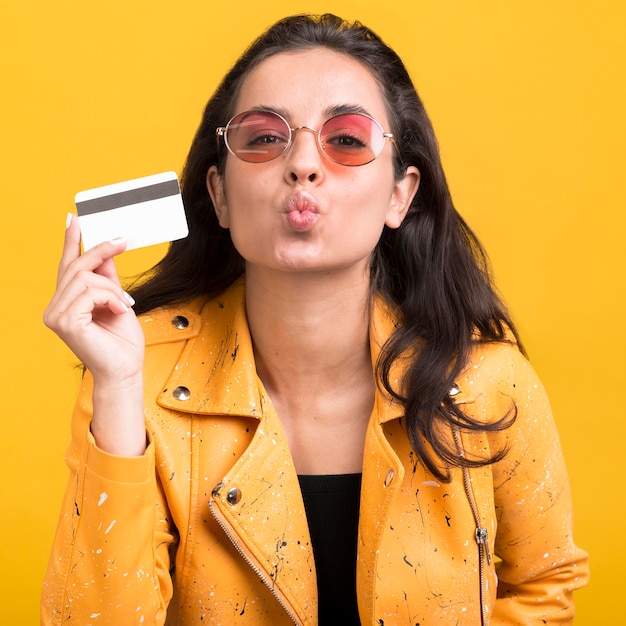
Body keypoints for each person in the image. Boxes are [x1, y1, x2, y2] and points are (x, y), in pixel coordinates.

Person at [41, 13, 589, 626]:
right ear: (219, 195)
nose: (302, 164)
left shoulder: (488, 382)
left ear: (399, 196)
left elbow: (543, 587)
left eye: (347, 139)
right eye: (264, 138)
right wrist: (117, 388)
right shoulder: (135, 379)